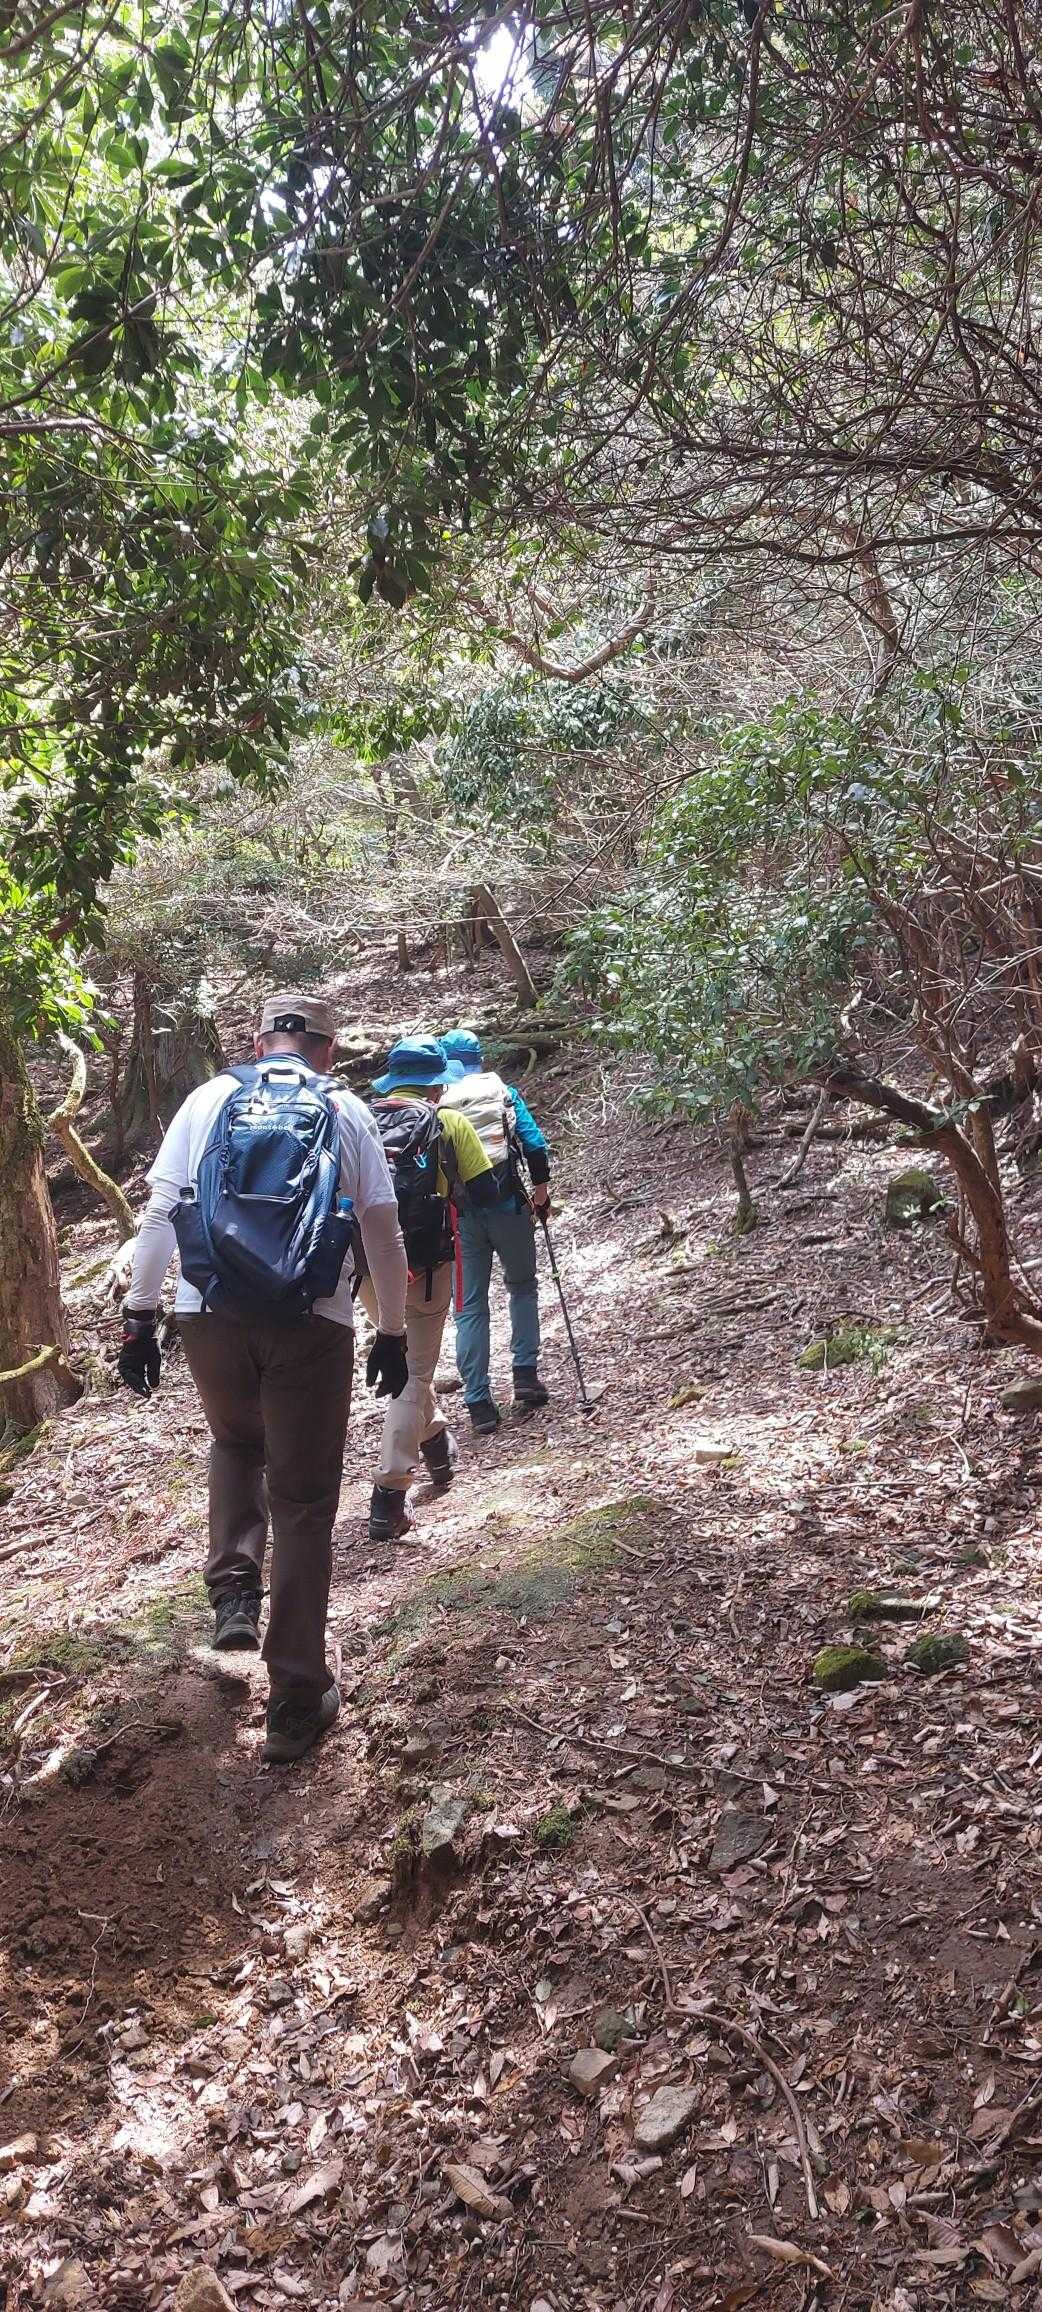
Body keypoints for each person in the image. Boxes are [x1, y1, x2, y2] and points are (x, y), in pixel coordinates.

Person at [117, 991, 409, 1764]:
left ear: (257, 1043)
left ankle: (235, 1594)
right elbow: (382, 1230)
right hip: (312, 1319)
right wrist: (392, 1330)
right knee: (305, 1503)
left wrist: (139, 1318)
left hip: (207, 1312)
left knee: (237, 1442)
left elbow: (161, 1213)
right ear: (328, 1050)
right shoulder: (345, 1110)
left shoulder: (207, 1100)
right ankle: (295, 1698)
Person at [360, 1035, 497, 1543]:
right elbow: (485, 1192)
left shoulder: (360, 1121)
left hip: (369, 1270)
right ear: (437, 1084)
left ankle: (437, 1444)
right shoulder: (448, 1123)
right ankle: (389, 1494)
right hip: (427, 1270)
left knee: (411, 1364)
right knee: (414, 1374)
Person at [438, 1028, 552, 1432]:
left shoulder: (439, 1102)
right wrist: (540, 1195)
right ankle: (525, 1374)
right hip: (509, 1208)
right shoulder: (503, 1092)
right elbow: (534, 1145)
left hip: (461, 1219)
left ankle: (478, 1402)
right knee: (522, 1286)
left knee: (469, 1307)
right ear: (479, 1059)